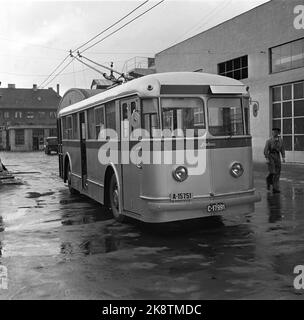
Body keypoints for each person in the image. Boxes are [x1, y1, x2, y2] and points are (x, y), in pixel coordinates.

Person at [264, 127, 285, 193]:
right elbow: (265, 150)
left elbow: (282, 149)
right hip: (271, 156)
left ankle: (275, 188)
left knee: (278, 172)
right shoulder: (269, 141)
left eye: (275, 132)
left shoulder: (281, 140)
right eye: (273, 132)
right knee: (273, 172)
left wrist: (283, 157)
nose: (274, 133)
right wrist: (267, 158)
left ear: (278, 133)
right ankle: (268, 180)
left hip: (277, 156)